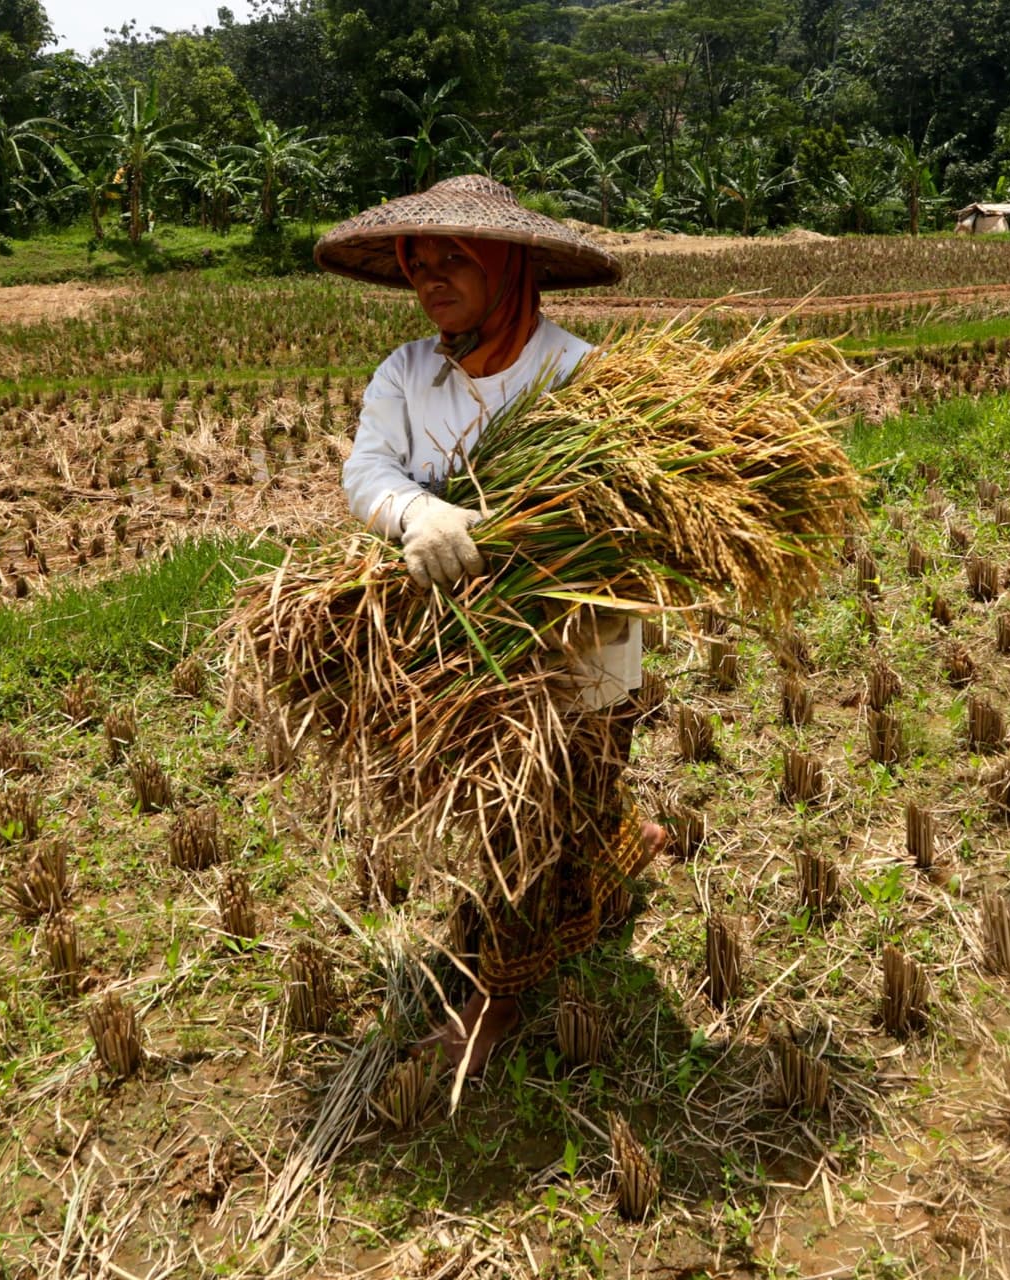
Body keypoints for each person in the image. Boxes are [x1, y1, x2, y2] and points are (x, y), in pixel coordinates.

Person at [314, 175, 668, 1076]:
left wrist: (531, 542)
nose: (431, 278)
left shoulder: (580, 375)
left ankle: (495, 999)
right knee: (547, 813)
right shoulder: (405, 372)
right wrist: (413, 516)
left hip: (574, 637)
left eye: (454, 259)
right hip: (460, 638)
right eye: (417, 262)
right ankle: (630, 849)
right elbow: (367, 471)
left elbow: (616, 515)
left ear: (508, 267)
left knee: (538, 808)